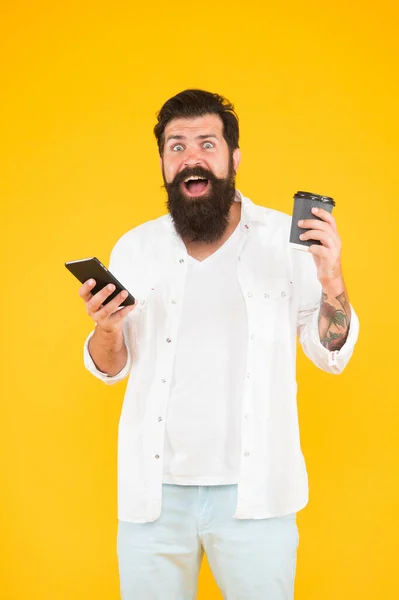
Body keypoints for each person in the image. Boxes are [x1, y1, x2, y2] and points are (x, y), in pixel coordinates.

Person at [79, 89, 359, 600]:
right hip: (154, 497)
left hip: (256, 496)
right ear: (164, 162)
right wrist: (107, 329)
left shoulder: (285, 242)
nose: (191, 157)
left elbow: (330, 352)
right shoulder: (135, 247)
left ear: (233, 158)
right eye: (176, 146)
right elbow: (109, 368)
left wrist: (332, 279)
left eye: (207, 143)